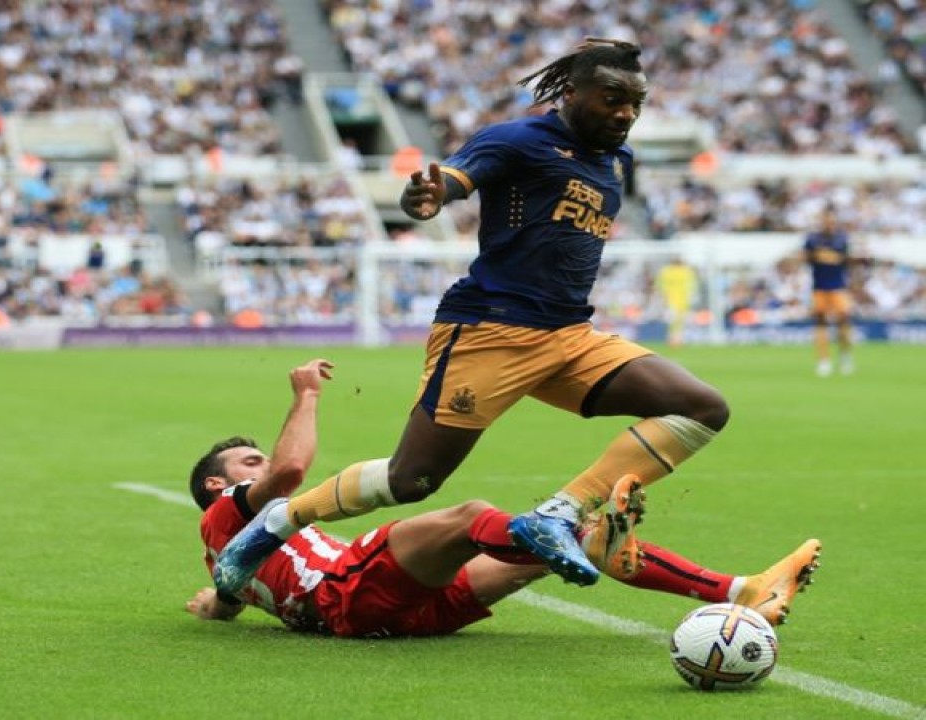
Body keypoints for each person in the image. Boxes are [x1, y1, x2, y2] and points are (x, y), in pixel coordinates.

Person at [214, 39, 730, 592]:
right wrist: (431, 195)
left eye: (635, 102)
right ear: (572, 93)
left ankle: (560, 512)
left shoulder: (616, 159)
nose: (625, 113)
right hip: (492, 331)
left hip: (571, 335)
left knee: (701, 407)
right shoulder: (520, 139)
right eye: (611, 99)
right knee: (411, 480)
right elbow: (457, 177)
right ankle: (279, 521)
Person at [189, 359, 821, 637]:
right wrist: (306, 395)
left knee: (570, 543)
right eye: (248, 464)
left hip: (398, 612)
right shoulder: (230, 511)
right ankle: (568, 532)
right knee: (471, 517)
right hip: (351, 594)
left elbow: (227, 603)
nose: (262, 465)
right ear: (218, 488)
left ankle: (743, 593)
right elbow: (293, 472)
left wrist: (210, 607)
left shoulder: (223, 561)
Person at [803, 208, 855, 377]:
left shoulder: (841, 238)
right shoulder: (812, 238)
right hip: (819, 287)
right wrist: (824, 257)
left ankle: (845, 356)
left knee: (844, 322)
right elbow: (806, 257)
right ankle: (823, 360)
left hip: (838, 287)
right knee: (820, 323)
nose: (828, 223)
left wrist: (825, 256)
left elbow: (846, 259)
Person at [655, 256, 699, 346]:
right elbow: (692, 286)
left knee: (673, 321)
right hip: (682, 300)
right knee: (679, 321)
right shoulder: (686, 271)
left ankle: (673, 339)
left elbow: (660, 285)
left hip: (670, 300)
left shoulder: (666, 271)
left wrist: (663, 296)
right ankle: (677, 339)